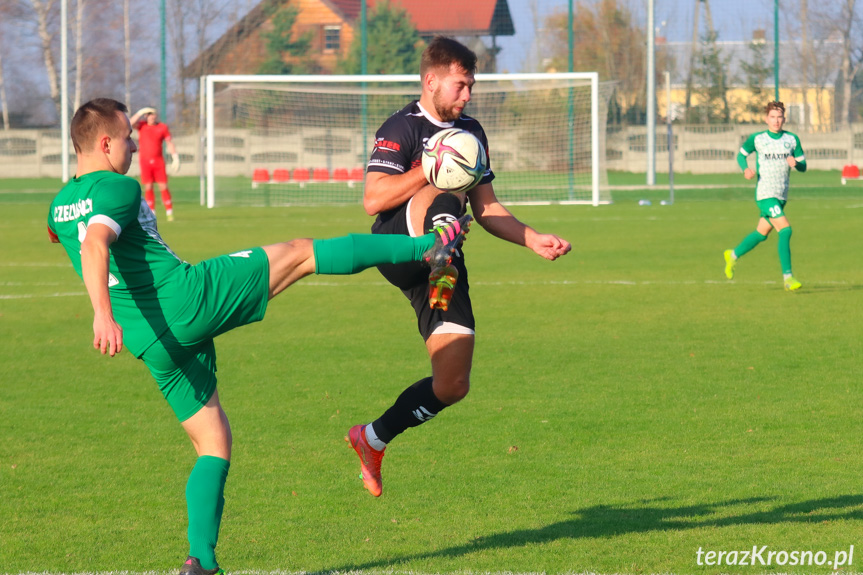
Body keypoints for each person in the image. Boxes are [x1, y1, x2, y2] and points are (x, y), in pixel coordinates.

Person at [47, 98, 469, 575]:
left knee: (213, 443)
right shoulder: (120, 186)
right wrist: (101, 314)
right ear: (105, 144)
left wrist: (106, 300)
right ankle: (428, 246)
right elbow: (95, 241)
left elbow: (69, 234)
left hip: (152, 341)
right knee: (301, 253)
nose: (130, 144)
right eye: (125, 137)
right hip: (188, 299)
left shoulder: (59, 204)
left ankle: (201, 561)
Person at [347, 37, 572, 498]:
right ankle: (443, 237)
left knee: (452, 384)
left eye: (471, 86)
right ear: (431, 81)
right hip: (399, 241)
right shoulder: (402, 126)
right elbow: (372, 199)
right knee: (448, 187)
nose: (467, 95)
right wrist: (429, 168)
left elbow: (486, 208)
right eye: (460, 85)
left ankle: (372, 439)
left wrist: (532, 238)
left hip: (441, 264)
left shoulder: (472, 132)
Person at [723, 100, 807, 291]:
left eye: (779, 117)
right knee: (785, 230)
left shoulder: (792, 140)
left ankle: (733, 255)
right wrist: (745, 170)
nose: (776, 121)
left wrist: (796, 164)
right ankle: (788, 278)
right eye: (772, 117)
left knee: (761, 233)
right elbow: (740, 155)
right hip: (765, 194)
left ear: (784, 118)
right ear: (766, 119)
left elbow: (804, 166)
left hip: (781, 195)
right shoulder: (757, 139)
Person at [129, 106, 179, 221]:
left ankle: (169, 211)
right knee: (148, 187)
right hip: (145, 162)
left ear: (156, 115)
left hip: (158, 161)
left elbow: (169, 142)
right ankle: (152, 212)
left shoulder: (162, 127)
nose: (151, 116)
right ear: (146, 116)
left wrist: (175, 157)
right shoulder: (141, 125)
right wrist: (140, 112)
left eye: (153, 114)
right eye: (149, 114)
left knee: (163, 186)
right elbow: (130, 123)